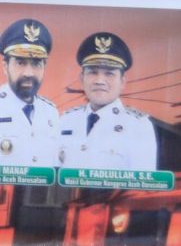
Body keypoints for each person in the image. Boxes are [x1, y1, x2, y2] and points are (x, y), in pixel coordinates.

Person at [0, 18, 65, 168]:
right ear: (5, 66)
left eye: (36, 64)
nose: (28, 73)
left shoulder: (50, 112)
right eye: (20, 63)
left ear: (44, 67)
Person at [56, 32, 160, 172]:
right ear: (81, 79)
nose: (99, 81)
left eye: (109, 73)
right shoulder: (66, 120)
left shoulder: (138, 126)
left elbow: (141, 181)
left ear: (122, 82)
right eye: (93, 72)